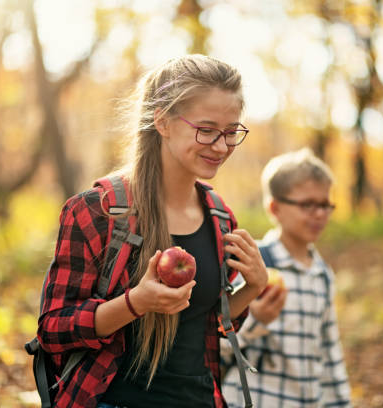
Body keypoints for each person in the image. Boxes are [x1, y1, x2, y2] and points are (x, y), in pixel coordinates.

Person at [37, 54, 268, 408]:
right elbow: (53, 329)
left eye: (232, 132)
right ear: (162, 121)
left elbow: (210, 323)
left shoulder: (220, 217)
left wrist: (253, 287)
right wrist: (135, 304)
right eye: (206, 130)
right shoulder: (97, 212)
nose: (222, 146)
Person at [221, 148, 352, 407]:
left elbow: (329, 352)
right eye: (307, 204)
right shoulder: (252, 266)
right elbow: (219, 346)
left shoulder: (322, 274)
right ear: (275, 207)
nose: (319, 214)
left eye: (325, 205)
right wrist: (256, 320)